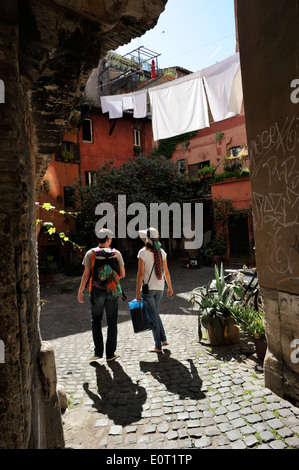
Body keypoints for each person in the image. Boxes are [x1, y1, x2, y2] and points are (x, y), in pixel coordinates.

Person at [78, 228, 125, 362]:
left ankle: (98, 352)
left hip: (96, 291)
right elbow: (122, 274)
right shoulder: (117, 253)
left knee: (96, 320)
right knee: (112, 322)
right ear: (109, 239)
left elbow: (86, 275)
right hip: (112, 292)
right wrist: (111, 278)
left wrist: (81, 290)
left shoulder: (90, 254)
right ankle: (110, 354)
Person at [136, 227, 173, 353]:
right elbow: (166, 272)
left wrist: (137, 292)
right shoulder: (161, 252)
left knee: (152, 317)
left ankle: (158, 346)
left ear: (146, 239)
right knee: (155, 313)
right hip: (160, 288)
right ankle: (164, 339)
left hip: (148, 290)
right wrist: (170, 287)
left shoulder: (142, 253)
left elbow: (140, 274)